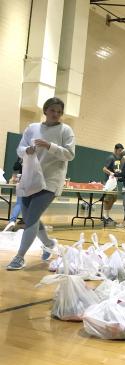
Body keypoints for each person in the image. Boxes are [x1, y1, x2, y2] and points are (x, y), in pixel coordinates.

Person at [6, 97, 75, 270]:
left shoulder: (66, 130)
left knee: (32, 219)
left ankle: (20, 257)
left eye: (59, 112)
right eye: (52, 110)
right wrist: (26, 150)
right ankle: (49, 244)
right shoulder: (32, 128)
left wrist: (49, 145)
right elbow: (20, 149)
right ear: (45, 110)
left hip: (51, 181)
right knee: (30, 218)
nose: (56, 114)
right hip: (30, 178)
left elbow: (70, 154)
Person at [102, 143, 124, 225]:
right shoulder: (111, 158)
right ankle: (105, 216)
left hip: (114, 182)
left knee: (114, 198)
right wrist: (111, 173)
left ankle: (107, 216)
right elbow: (104, 169)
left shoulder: (117, 159)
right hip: (108, 182)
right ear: (115, 149)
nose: (120, 152)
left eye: (121, 151)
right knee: (108, 198)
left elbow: (115, 169)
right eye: (119, 150)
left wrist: (118, 173)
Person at [4, 157, 24, 231]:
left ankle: (12, 221)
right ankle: (28, 222)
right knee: (30, 204)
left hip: (22, 181)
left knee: (19, 203)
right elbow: (15, 167)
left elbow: (15, 167)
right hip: (32, 182)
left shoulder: (22, 154)